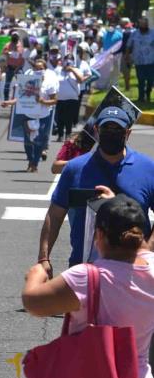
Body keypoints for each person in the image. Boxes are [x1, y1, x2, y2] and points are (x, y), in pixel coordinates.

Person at [22, 194, 154, 378]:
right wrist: (121, 204)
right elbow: (146, 251)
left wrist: (35, 276)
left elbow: (34, 303)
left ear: (99, 235)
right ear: (138, 236)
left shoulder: (86, 277)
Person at [38, 106, 154, 271]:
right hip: (84, 268)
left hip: (135, 270)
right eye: (106, 128)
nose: (111, 133)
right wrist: (44, 258)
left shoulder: (148, 168)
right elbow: (55, 214)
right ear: (97, 130)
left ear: (127, 133)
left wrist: (148, 251)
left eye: (117, 129)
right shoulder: (74, 168)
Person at [1, 59, 58, 173]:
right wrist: (9, 102)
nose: (38, 70)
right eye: (36, 68)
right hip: (28, 115)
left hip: (43, 116)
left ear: (45, 70)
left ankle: (34, 164)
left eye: (41, 68)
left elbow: (54, 100)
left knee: (39, 141)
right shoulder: (28, 82)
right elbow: (21, 98)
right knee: (27, 142)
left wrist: (42, 101)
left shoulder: (49, 84)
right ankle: (30, 160)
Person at [54, 56, 85, 142]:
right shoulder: (58, 70)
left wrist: (71, 70)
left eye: (70, 59)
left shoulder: (77, 70)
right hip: (60, 99)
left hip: (72, 99)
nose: (68, 61)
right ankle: (60, 135)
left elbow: (81, 80)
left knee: (69, 118)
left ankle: (68, 134)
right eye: (66, 59)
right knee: (60, 118)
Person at [126, 17, 154, 102]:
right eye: (141, 23)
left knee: (150, 79)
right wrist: (127, 56)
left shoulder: (153, 33)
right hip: (139, 61)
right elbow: (128, 46)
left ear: (147, 24)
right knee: (141, 80)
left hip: (151, 61)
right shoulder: (134, 33)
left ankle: (148, 95)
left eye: (144, 23)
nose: (143, 25)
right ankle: (141, 97)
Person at [2, 32, 25, 100]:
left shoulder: (20, 45)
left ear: (18, 37)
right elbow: (3, 52)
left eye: (16, 36)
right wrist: (9, 52)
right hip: (10, 67)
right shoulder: (8, 45)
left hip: (18, 68)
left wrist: (19, 66)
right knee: (7, 84)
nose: (14, 37)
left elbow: (22, 56)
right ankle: (6, 99)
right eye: (13, 36)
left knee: (21, 83)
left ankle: (21, 99)